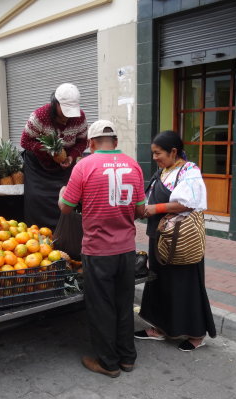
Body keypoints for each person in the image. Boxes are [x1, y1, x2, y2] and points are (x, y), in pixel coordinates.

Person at [58, 120, 146, 377]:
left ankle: (108, 363)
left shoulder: (83, 166)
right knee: (123, 303)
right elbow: (141, 210)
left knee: (101, 307)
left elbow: (66, 207)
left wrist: (64, 191)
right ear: (116, 142)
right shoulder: (134, 165)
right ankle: (127, 358)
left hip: (98, 251)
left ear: (91, 144)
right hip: (127, 250)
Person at [136, 130, 216, 351]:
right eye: (152, 153)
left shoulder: (189, 171)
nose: (154, 158)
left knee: (185, 285)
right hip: (160, 237)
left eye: (158, 153)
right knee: (160, 283)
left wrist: (154, 208)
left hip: (180, 241)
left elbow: (187, 203)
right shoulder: (165, 170)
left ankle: (195, 335)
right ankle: (160, 328)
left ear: (173, 151)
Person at [21, 83, 88, 230]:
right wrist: (48, 151)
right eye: (64, 110)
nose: (67, 116)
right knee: (36, 200)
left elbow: (83, 141)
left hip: (65, 165)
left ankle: (64, 234)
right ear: (55, 103)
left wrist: (71, 156)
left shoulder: (79, 117)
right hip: (38, 165)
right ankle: (36, 234)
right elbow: (25, 141)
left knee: (67, 198)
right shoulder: (40, 116)